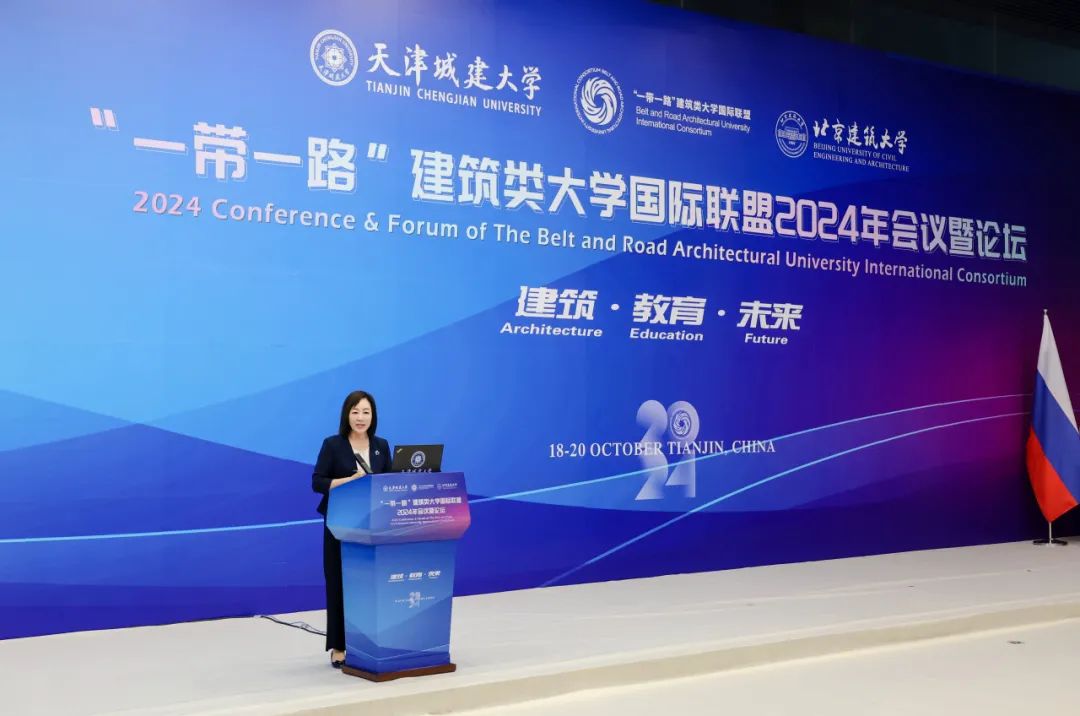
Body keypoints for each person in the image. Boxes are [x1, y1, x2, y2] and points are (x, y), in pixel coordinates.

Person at [311, 390, 392, 668]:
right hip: (340, 524)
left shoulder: (381, 445)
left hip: (374, 525)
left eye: (366, 412)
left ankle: (373, 641)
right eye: (355, 411)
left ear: (373, 416)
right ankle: (339, 646)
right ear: (346, 414)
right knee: (339, 583)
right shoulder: (333, 445)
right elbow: (317, 482)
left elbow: (389, 483)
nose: (360, 417)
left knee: (370, 584)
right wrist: (346, 481)